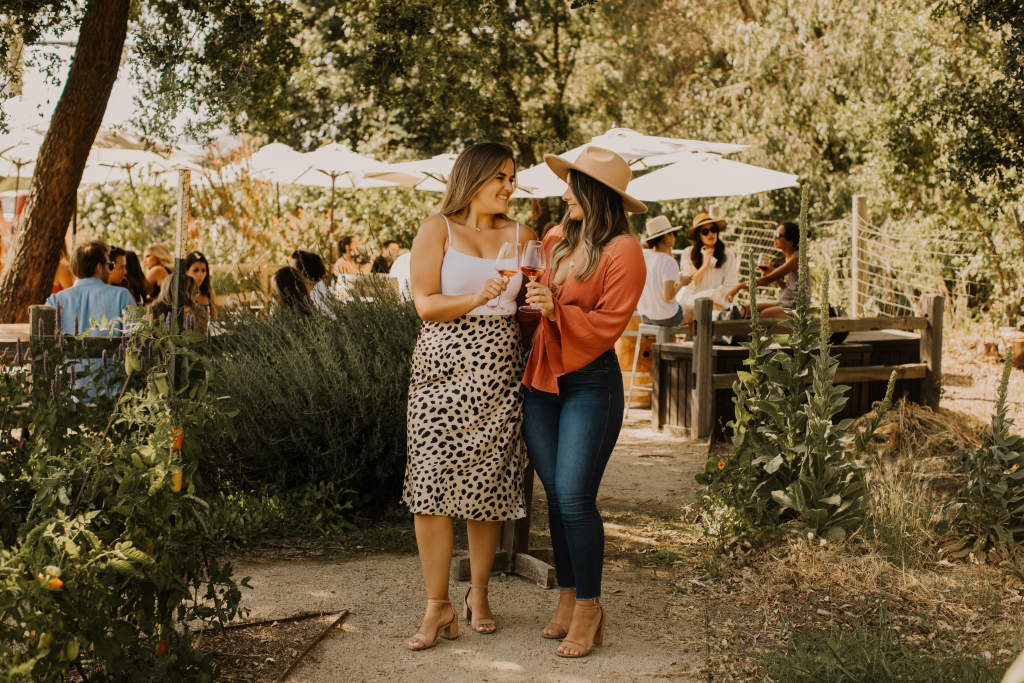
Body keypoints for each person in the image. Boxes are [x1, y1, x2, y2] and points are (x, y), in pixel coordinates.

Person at [403, 141, 533, 651]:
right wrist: (473, 297)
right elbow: (424, 303)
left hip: (500, 366)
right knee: (430, 484)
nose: (508, 186)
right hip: (441, 367)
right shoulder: (436, 229)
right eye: (499, 177)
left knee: (488, 486)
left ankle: (479, 594)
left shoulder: (523, 235)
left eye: (512, 178)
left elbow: (528, 305)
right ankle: (438, 607)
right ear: (472, 177)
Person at [520, 146, 647, 659]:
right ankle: (569, 595)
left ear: (597, 193)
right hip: (541, 380)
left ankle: (591, 607)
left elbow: (606, 328)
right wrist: (526, 302)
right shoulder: (554, 239)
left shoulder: (624, 252)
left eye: (574, 185)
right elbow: (534, 311)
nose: (565, 192)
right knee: (555, 494)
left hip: (590, 382)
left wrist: (556, 310)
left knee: (574, 495)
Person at [46, 240, 138, 395]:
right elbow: (136, 341)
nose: (110, 270)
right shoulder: (122, 296)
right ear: (99, 267)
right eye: (109, 266)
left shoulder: (55, 300)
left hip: (70, 392)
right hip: (113, 392)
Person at [724, 220, 799, 319]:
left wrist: (739, 287)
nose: (773, 238)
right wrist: (770, 272)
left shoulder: (797, 258)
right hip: (784, 303)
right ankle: (735, 333)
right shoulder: (789, 257)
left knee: (762, 316)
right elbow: (786, 287)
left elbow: (766, 280)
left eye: (777, 235)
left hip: (795, 307)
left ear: (789, 241)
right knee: (745, 309)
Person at [675, 212, 739, 321]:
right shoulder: (688, 253)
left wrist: (713, 299)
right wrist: (704, 266)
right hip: (694, 302)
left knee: (710, 308)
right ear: (698, 235)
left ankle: (718, 315)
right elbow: (689, 285)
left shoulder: (727, 253)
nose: (710, 234)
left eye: (713, 229)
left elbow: (731, 285)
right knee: (689, 305)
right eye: (705, 231)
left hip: (720, 301)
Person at [636, 216, 684, 326]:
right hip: (666, 317)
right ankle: (690, 343)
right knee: (696, 313)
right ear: (666, 237)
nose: (674, 237)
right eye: (673, 234)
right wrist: (682, 283)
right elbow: (668, 296)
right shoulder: (668, 261)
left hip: (646, 317)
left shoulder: (644, 256)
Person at [291, 250, 334, 315]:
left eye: (292, 270)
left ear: (302, 272)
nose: (289, 274)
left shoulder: (318, 297)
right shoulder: (320, 288)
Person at [184, 250, 218, 325]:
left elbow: (214, 320)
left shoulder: (208, 292)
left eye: (203, 270)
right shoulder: (181, 293)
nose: (200, 274)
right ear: (186, 271)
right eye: (196, 270)